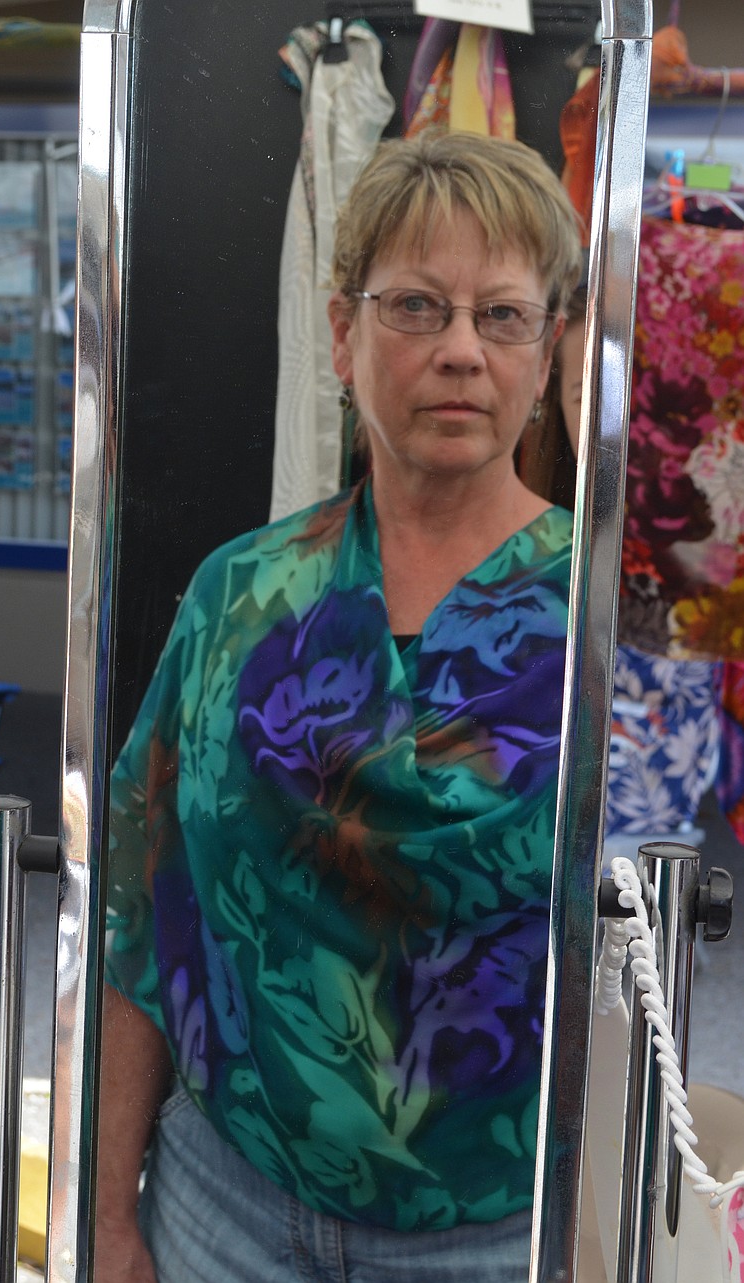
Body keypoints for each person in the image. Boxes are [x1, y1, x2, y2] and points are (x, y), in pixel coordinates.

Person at [97, 129, 582, 1283]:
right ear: (339, 335)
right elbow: (140, 912)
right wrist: (106, 1210)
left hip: (499, 1242)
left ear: (550, 353)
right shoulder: (240, 596)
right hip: (225, 1210)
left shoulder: (605, 630)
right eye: (416, 306)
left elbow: (640, 969)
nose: (461, 351)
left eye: (502, 315)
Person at [520, 287, 722, 859]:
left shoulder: (702, 553)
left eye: (634, 395)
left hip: (648, 862)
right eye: (588, 396)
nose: (615, 422)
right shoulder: (525, 548)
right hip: (527, 863)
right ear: (555, 405)